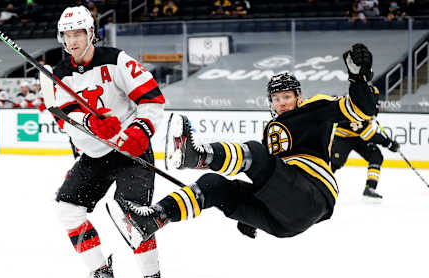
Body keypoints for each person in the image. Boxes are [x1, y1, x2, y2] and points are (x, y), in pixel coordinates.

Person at [108, 44, 379, 250]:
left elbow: (362, 110)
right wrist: (249, 215)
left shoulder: (314, 108)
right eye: (276, 98)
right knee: (213, 185)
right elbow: (268, 178)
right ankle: (153, 219)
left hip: (313, 194)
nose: (282, 102)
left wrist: (358, 79)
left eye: (287, 96)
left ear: (299, 97)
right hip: (283, 221)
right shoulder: (270, 132)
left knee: (256, 155)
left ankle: (197, 155)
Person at [52, 5, 165, 278]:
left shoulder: (117, 60)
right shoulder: (60, 74)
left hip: (131, 150)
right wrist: (91, 124)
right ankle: (102, 275)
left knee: (133, 215)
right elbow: (65, 118)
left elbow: (152, 99)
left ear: (92, 33)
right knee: (68, 209)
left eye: (78, 33)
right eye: (67, 35)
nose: (73, 41)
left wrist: (141, 130)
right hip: (95, 154)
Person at [331, 118, 399, 199]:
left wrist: (388, 143)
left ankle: (370, 188)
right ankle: (317, 182)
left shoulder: (372, 107)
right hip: (344, 137)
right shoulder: (360, 107)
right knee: (335, 163)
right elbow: (368, 134)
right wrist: (388, 143)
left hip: (359, 137)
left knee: (375, 156)